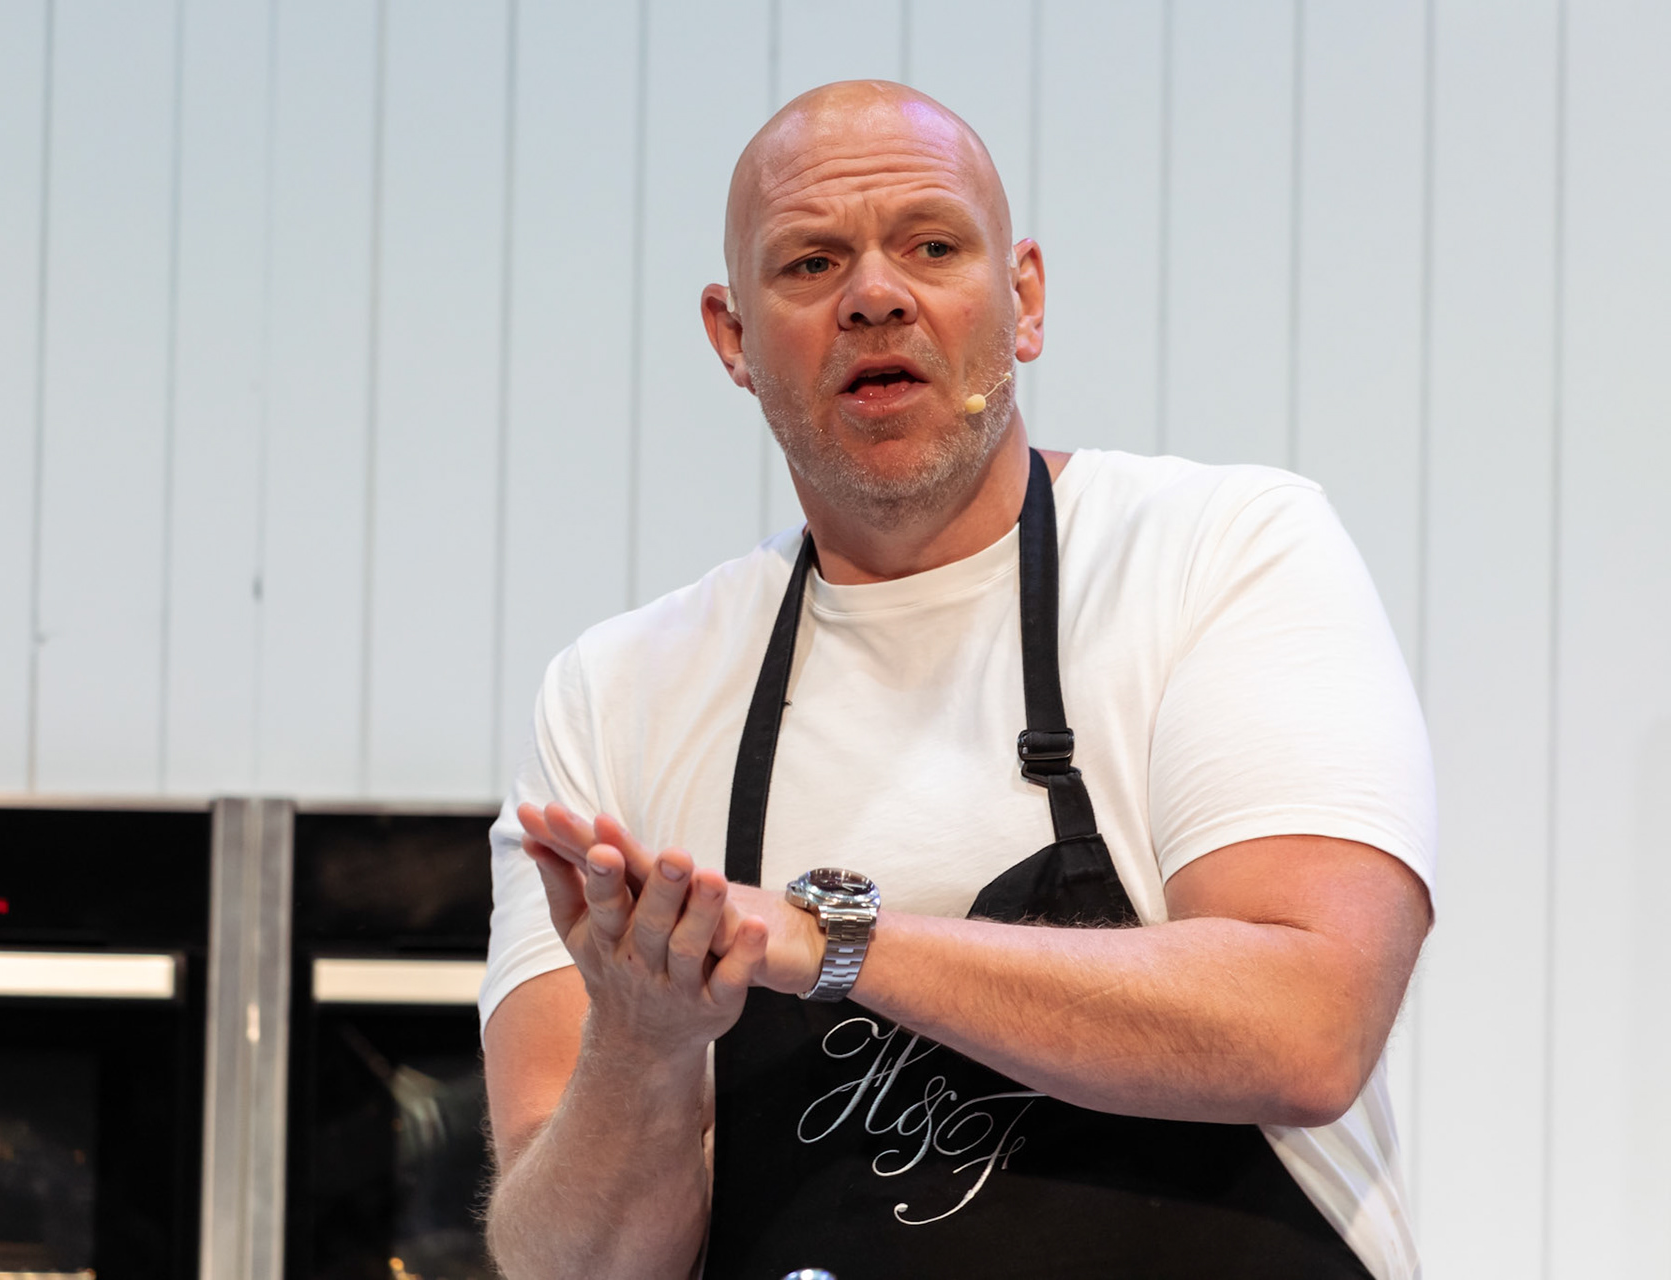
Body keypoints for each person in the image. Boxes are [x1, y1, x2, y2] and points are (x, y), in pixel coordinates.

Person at [478, 80, 1434, 1280]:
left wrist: (823, 940)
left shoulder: (1221, 551)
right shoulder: (617, 694)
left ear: (1023, 299)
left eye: (932, 245)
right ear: (732, 338)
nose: (876, 295)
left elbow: (1307, 1023)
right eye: (812, 263)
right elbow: (567, 1264)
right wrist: (644, 1039)